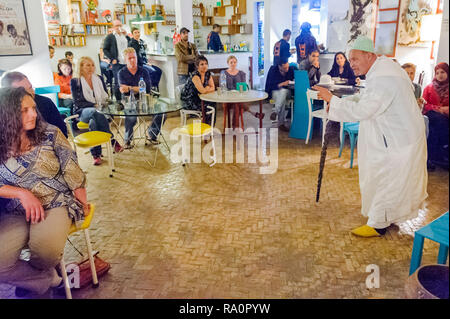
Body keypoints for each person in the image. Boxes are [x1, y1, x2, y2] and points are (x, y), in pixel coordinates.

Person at [313, 36, 428, 238]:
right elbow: (369, 97)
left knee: (386, 178)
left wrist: (333, 100)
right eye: (350, 60)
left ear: (369, 55)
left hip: (399, 142)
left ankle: (378, 224)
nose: (352, 64)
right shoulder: (383, 70)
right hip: (401, 138)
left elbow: (365, 109)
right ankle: (387, 217)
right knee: (392, 180)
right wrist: (342, 101)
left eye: (355, 59)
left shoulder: (384, 77)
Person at [0, 87, 89, 297]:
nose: (33, 114)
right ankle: (50, 279)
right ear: (7, 113)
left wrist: (82, 201)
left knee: (45, 252)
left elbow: (72, 169)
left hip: (55, 201)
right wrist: (21, 193)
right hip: (15, 209)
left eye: (33, 108)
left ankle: (39, 279)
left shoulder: (50, 133)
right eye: (24, 110)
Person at [71, 56, 124, 165]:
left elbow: (105, 95)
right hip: (82, 111)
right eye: (87, 65)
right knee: (94, 112)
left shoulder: (98, 78)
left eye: (92, 65)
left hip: (100, 109)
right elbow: (78, 102)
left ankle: (96, 155)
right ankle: (112, 141)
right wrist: (94, 105)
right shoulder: (75, 81)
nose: (91, 68)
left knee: (94, 122)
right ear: (81, 67)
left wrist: (104, 104)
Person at [118, 48, 165, 147]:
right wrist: (138, 88)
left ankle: (152, 134)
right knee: (131, 117)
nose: (132, 60)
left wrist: (130, 88)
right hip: (129, 101)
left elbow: (147, 88)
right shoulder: (121, 73)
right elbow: (123, 90)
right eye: (129, 58)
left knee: (161, 112)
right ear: (125, 60)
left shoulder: (144, 71)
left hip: (145, 99)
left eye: (134, 57)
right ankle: (127, 140)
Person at [1, 72, 67, 137]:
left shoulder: (46, 103)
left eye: (30, 87)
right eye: (23, 92)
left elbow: (62, 132)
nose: (31, 93)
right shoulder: (4, 113)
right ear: (9, 96)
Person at [422, 62, 449, 169]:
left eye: (442, 72)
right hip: (432, 116)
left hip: (446, 117)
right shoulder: (429, 88)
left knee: (434, 130)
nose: (440, 75)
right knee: (438, 121)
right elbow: (424, 104)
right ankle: (442, 152)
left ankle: (434, 158)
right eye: (437, 73)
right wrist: (439, 109)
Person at [180, 55, 216, 125]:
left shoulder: (208, 74)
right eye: (201, 64)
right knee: (207, 106)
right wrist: (207, 88)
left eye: (206, 64)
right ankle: (205, 126)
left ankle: (210, 126)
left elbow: (213, 88)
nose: (204, 66)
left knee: (213, 103)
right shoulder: (195, 75)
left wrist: (206, 89)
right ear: (197, 66)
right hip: (189, 100)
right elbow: (202, 91)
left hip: (199, 98)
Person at [265, 57, 295, 132]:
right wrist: (283, 83)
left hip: (288, 92)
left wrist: (291, 82)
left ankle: (275, 111)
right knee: (282, 97)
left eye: (287, 67)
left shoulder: (291, 70)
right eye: (285, 68)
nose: (287, 69)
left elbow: (295, 80)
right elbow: (271, 85)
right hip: (275, 92)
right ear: (279, 66)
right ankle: (281, 124)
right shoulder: (273, 70)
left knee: (283, 92)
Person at [102, 19, 128, 101]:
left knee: (127, 81)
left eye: (120, 25)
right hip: (117, 63)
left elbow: (130, 46)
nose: (119, 27)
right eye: (117, 26)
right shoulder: (110, 37)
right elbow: (105, 49)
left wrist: (127, 35)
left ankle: (127, 99)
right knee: (118, 82)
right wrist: (112, 59)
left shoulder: (124, 36)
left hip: (126, 62)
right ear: (113, 27)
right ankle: (118, 101)